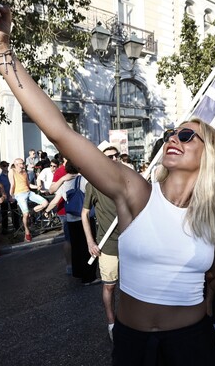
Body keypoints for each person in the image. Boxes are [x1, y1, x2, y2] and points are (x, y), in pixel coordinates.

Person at [0, 0, 215, 365]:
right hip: (133, 346)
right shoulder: (136, 192)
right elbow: (62, 133)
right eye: (173, 132)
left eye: (188, 136)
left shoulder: (214, 213)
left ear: (212, 156)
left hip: (193, 345)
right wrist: (1, 52)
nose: (174, 137)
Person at [83, 146, 122, 341]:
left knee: (133, 288)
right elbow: (84, 213)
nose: (114, 159)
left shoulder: (127, 179)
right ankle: (111, 323)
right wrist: (90, 242)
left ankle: (131, 323)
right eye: (109, 157)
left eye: (116, 156)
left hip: (131, 244)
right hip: (108, 246)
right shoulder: (94, 184)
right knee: (110, 286)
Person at [45, 162, 98, 285]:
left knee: (77, 247)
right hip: (84, 218)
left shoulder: (65, 183)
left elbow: (56, 199)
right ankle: (89, 277)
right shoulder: (84, 180)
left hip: (70, 219)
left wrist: (47, 210)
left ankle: (78, 272)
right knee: (88, 248)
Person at [8, 158, 48, 242]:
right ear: (16, 164)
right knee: (25, 214)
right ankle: (27, 232)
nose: (23, 164)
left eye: (23, 163)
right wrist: (11, 195)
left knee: (45, 203)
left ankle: (31, 212)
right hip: (19, 194)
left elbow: (29, 184)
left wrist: (37, 187)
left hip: (28, 192)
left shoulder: (25, 172)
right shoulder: (12, 171)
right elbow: (12, 184)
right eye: (21, 163)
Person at [0, 160, 20, 234]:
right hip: (4, 196)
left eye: (6, 165)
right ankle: (5, 229)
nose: (5, 167)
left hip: (12, 195)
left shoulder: (11, 174)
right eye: (3, 166)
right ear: (1, 167)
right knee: (4, 213)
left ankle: (17, 227)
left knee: (15, 212)